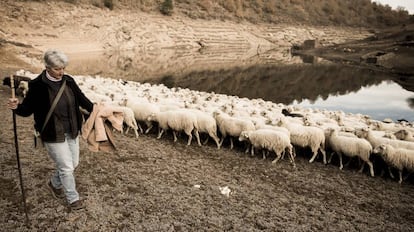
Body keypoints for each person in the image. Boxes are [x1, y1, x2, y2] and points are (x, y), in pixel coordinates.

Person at [7, 49, 94, 211]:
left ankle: (54, 184)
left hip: (72, 130)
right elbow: (27, 110)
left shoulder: (68, 81)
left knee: (73, 163)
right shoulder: (37, 85)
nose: (61, 72)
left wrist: (99, 110)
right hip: (52, 132)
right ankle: (73, 199)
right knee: (67, 167)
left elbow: (83, 100)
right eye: (57, 69)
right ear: (47, 67)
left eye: (63, 68)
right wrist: (16, 107)